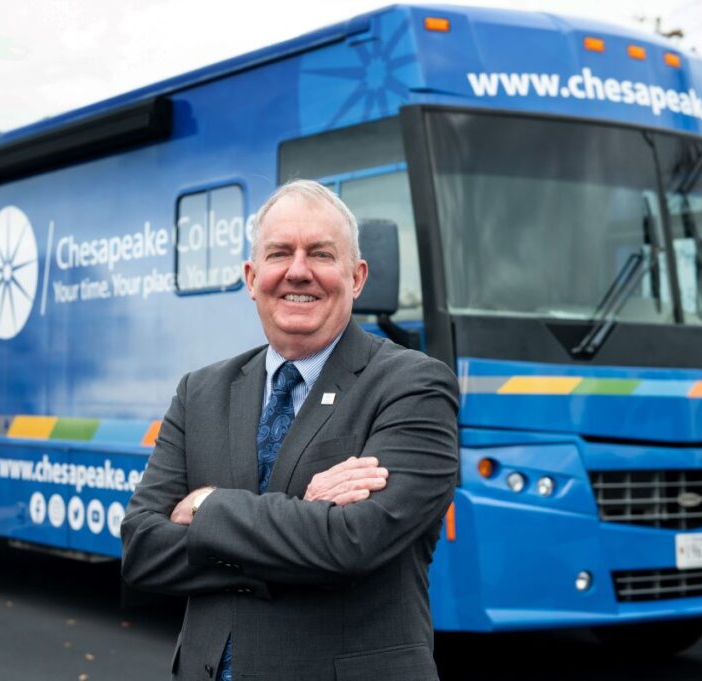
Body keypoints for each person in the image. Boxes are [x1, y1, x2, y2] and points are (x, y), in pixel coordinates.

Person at [121, 180, 460, 680]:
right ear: (252, 277)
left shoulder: (414, 386)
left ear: (357, 278)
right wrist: (304, 520)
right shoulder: (200, 392)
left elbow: (354, 542)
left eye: (320, 253)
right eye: (280, 253)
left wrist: (207, 505)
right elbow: (142, 549)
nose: (298, 271)